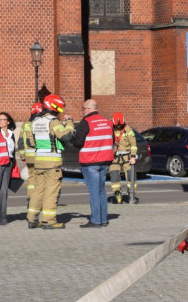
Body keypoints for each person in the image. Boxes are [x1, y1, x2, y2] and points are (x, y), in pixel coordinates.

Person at [26, 95, 74, 229]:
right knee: (51, 192)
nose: (61, 111)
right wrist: (70, 123)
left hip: (39, 161)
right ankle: (49, 220)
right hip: (52, 163)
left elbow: (31, 141)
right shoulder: (53, 121)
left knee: (38, 191)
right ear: (55, 107)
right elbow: (65, 137)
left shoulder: (36, 121)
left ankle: (32, 219)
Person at [72, 99, 114, 228]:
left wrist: (73, 134)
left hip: (91, 162)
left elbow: (78, 143)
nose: (83, 111)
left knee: (94, 192)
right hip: (105, 160)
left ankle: (96, 220)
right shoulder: (108, 122)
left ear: (88, 109)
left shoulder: (86, 123)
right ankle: (104, 219)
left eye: (83, 109)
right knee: (101, 190)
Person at [18, 102, 43, 216]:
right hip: (41, 157)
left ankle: (30, 202)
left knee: (31, 181)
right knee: (41, 181)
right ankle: (38, 203)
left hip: (29, 158)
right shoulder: (42, 124)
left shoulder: (26, 125)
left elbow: (21, 142)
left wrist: (23, 156)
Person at [109, 112, 138, 204]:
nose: (118, 128)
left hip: (127, 157)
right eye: (116, 126)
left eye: (120, 126)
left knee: (131, 175)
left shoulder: (128, 130)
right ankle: (117, 194)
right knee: (114, 175)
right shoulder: (110, 129)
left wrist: (133, 156)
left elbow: (133, 144)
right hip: (114, 157)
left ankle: (131, 193)